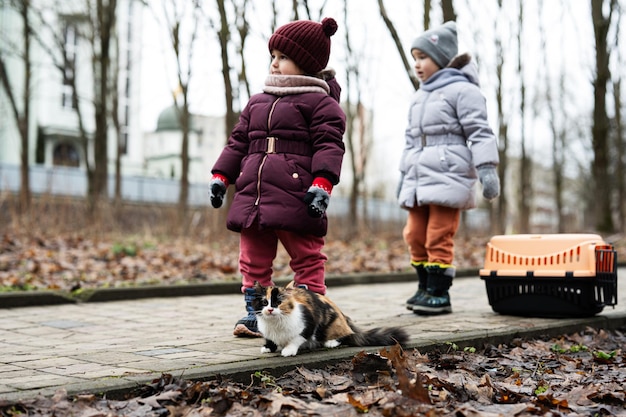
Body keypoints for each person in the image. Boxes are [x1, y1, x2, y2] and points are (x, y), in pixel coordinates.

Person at [209, 17, 346, 337]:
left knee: (306, 255)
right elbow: (237, 143)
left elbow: (330, 144)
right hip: (253, 196)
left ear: (307, 63)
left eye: (283, 57)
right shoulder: (257, 102)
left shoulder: (320, 103)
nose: (275, 63)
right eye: (273, 56)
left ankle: (310, 314)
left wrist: (322, 183)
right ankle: (256, 315)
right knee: (252, 257)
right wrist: (221, 176)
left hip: (298, 194)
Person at [397, 21, 500, 315]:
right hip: (417, 175)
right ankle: (424, 287)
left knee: (438, 235)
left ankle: (439, 292)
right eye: (414, 58)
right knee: (414, 235)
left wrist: (487, 168)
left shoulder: (463, 90)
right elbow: (410, 140)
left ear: (441, 58)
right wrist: (403, 175)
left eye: (423, 57)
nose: (417, 64)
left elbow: (480, 131)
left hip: (448, 174)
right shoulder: (418, 96)